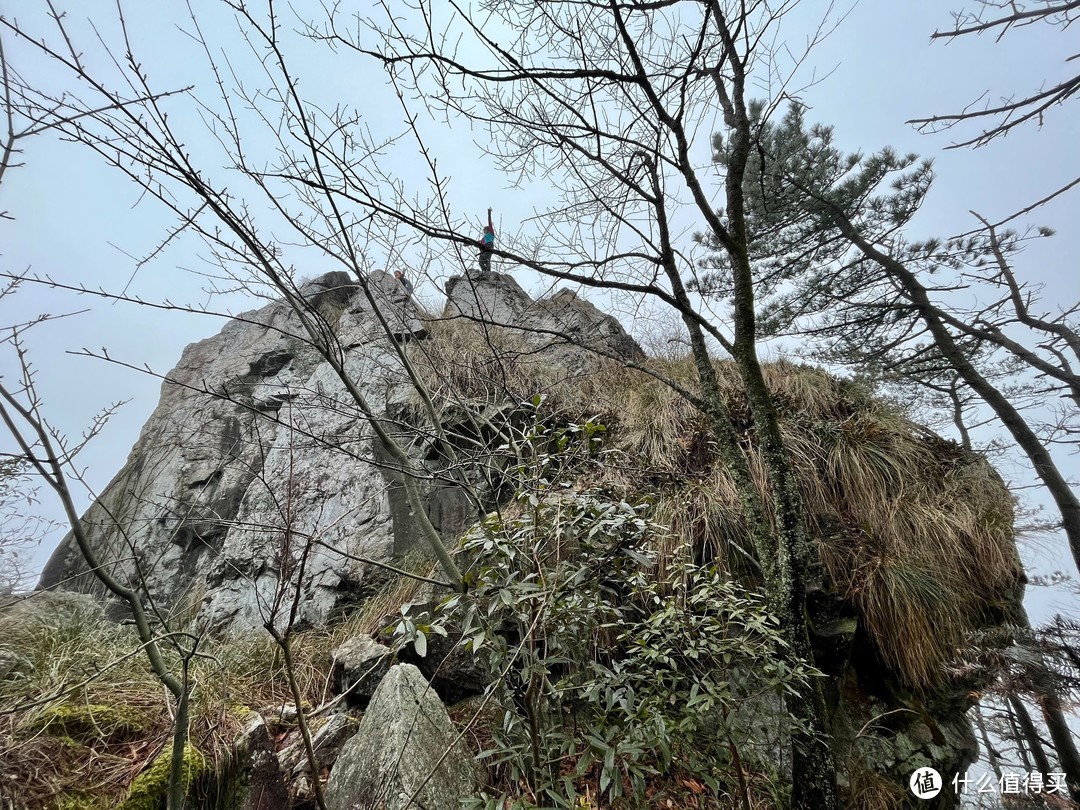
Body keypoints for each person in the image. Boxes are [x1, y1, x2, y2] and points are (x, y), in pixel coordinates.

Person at [478, 207, 495, 273]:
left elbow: (490, 222)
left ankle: (488, 272)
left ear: (487, 230)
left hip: (489, 245)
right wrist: (467, 243)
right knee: (480, 261)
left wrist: (489, 213)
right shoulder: (483, 239)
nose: (484, 232)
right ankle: (484, 271)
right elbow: (476, 242)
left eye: (484, 230)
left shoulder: (491, 233)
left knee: (487, 259)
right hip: (483, 248)